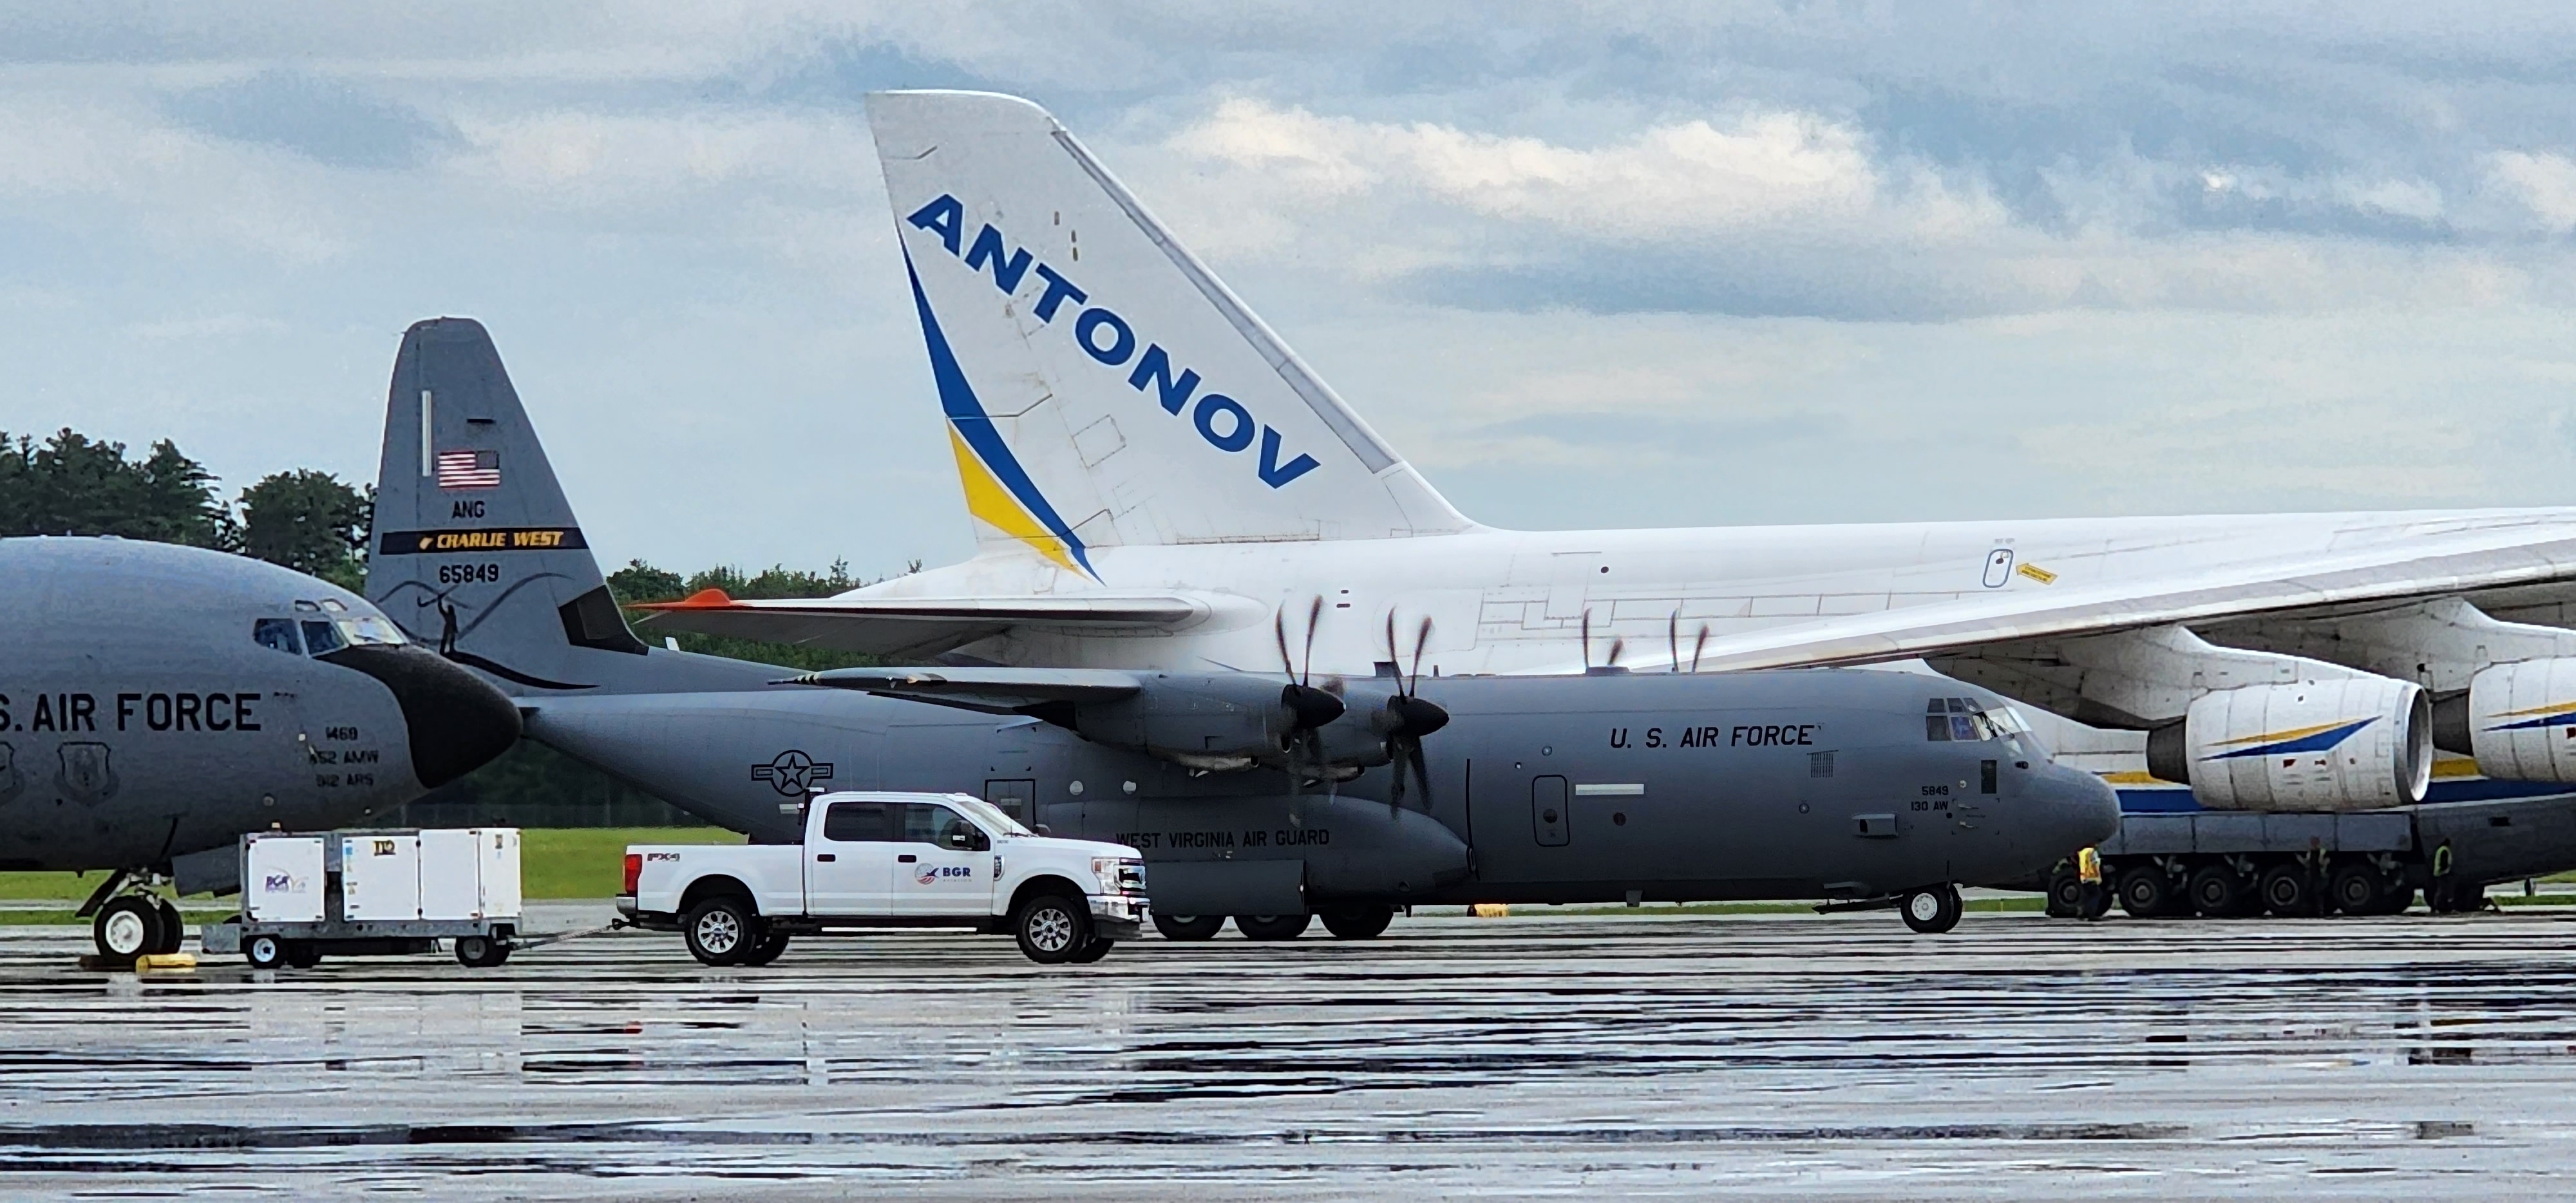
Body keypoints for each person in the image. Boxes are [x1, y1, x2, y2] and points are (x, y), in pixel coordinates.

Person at [2077, 846, 2109, 920]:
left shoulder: (2083, 852)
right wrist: (2098, 878)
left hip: (2084, 877)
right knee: (2097, 894)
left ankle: (2082, 913)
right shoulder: (2092, 852)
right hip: (2092, 877)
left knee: (2087, 896)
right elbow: (2095, 864)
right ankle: (2091, 915)